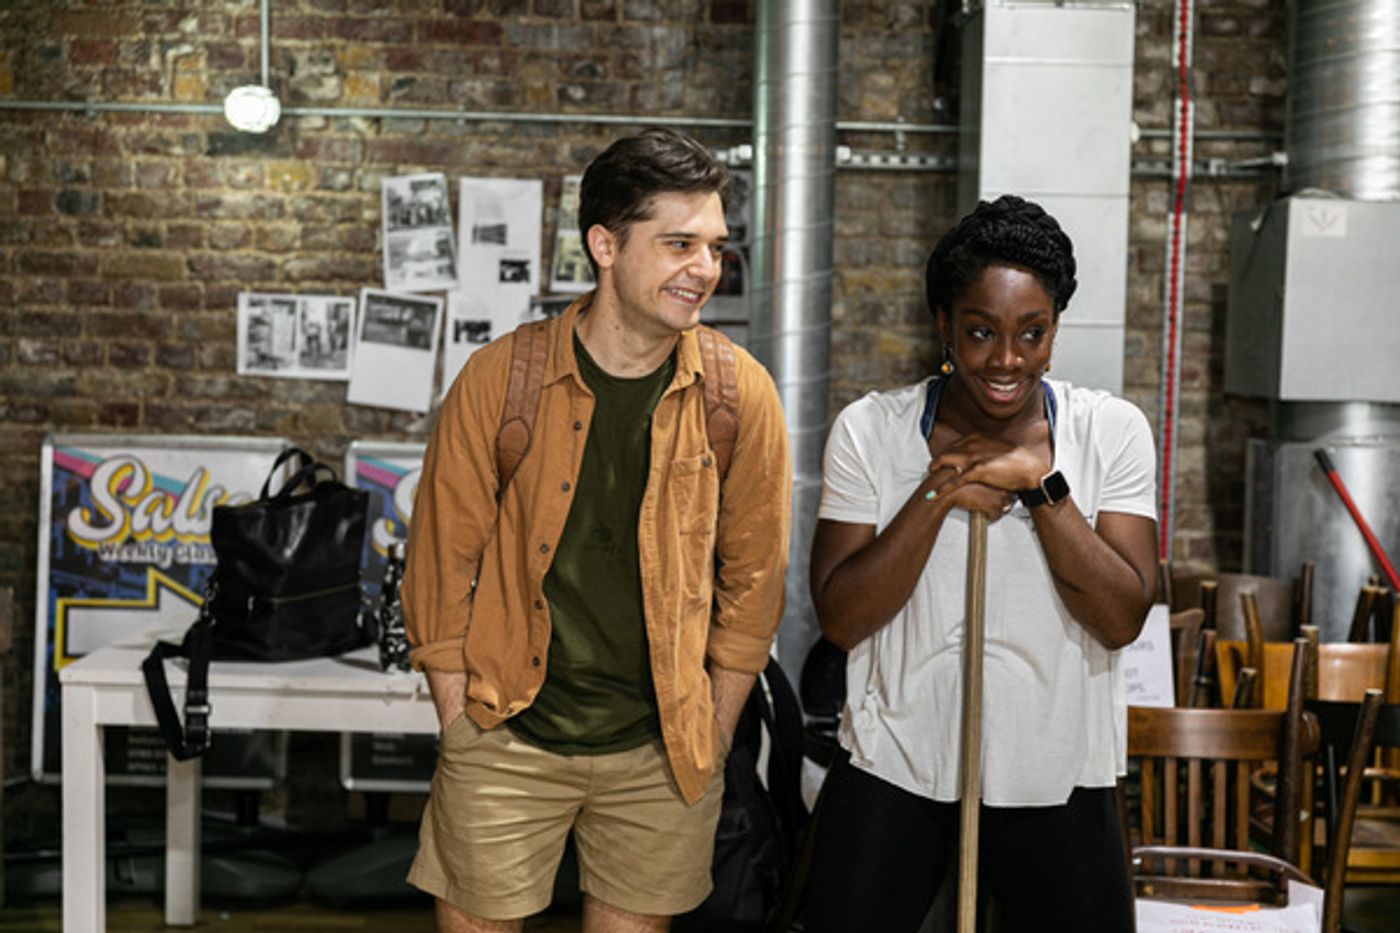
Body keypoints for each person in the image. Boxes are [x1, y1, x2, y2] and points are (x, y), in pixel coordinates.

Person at [401, 128, 793, 933]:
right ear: (605, 245)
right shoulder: (500, 379)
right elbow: (440, 567)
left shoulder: (739, 395)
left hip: (661, 749)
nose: (705, 268)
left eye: (714, 246)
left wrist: (713, 729)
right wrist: (461, 723)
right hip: (505, 731)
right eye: (679, 244)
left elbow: (754, 584)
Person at [801, 195, 1158, 932]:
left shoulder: (1111, 432)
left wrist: (1040, 486)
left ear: (1055, 329)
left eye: (1032, 332)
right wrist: (939, 490)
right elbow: (841, 616)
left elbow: (1122, 616)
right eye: (981, 331)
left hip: (1059, 770)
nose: (1006, 359)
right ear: (944, 325)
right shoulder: (871, 430)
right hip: (896, 761)